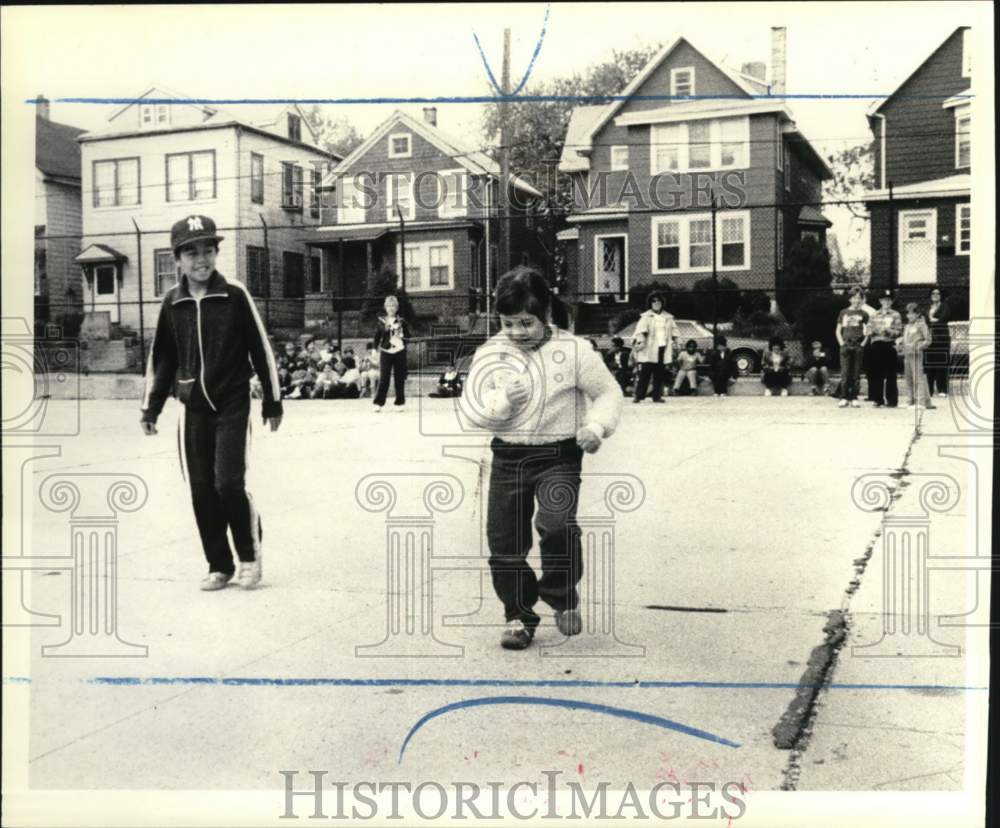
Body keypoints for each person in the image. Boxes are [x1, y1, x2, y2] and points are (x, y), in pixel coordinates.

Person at [461, 267, 623, 650]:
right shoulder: (491, 354)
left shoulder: (575, 350)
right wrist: (503, 403)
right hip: (509, 457)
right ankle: (518, 615)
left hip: (559, 454)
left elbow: (608, 393)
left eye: (526, 323)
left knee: (556, 524)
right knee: (504, 544)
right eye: (508, 323)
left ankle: (562, 596)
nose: (517, 332)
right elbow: (472, 411)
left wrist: (596, 427)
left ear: (546, 312)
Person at [140, 214, 282, 591]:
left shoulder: (233, 294)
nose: (201, 259)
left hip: (232, 400)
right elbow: (163, 359)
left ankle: (249, 556)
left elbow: (260, 347)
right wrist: (150, 407)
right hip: (193, 408)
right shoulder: (173, 303)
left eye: (207, 250)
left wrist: (273, 400)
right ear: (177, 258)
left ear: (216, 253)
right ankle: (219, 564)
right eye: (191, 252)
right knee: (201, 488)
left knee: (228, 483)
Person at [632, 293, 677, 403]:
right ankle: (639, 395)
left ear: (662, 303)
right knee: (645, 373)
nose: (656, 303)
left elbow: (674, 330)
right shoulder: (645, 317)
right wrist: (641, 341)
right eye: (654, 301)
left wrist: (677, 341)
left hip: (662, 347)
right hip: (650, 348)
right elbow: (640, 331)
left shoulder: (668, 317)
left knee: (659, 373)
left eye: (659, 301)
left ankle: (656, 396)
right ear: (650, 303)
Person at [372, 294, 409, 412]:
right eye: (389, 306)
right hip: (386, 351)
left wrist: (403, 335)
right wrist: (374, 349)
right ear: (385, 307)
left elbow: (409, 336)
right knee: (384, 378)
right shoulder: (381, 321)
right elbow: (377, 337)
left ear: (397, 307)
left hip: (399, 351)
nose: (391, 308)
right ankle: (378, 403)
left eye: (393, 306)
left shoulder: (402, 321)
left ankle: (400, 403)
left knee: (399, 378)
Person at [835, 288, 870, 408]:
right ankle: (844, 397)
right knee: (845, 373)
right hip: (846, 344)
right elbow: (838, 330)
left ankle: (854, 397)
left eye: (859, 298)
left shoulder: (864, 314)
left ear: (862, 300)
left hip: (858, 345)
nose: (856, 300)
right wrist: (841, 343)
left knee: (856, 373)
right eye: (854, 298)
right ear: (850, 299)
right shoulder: (843, 312)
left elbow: (868, 330)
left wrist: (863, 343)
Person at [867, 289, 902, 408]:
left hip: (889, 344)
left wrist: (888, 331)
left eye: (889, 300)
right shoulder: (874, 315)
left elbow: (899, 331)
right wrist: (872, 331)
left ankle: (892, 400)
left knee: (891, 373)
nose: (886, 302)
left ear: (891, 302)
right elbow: (868, 330)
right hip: (877, 344)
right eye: (884, 300)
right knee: (877, 373)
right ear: (880, 301)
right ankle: (877, 399)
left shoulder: (895, 314)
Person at [898, 302, 935, 410]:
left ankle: (920, 402)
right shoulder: (907, 326)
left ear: (918, 314)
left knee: (918, 377)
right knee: (908, 377)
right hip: (907, 353)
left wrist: (918, 346)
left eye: (912, 314)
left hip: (916, 354)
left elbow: (928, 340)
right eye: (908, 314)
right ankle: (911, 400)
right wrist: (900, 343)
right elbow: (906, 339)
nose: (909, 316)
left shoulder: (922, 324)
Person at [924, 287, 951, 398]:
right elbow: (924, 321)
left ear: (941, 295)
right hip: (929, 339)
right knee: (929, 364)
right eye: (933, 293)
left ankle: (942, 389)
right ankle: (929, 390)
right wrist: (934, 320)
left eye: (938, 293)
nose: (935, 295)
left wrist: (933, 320)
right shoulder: (927, 308)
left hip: (941, 338)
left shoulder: (945, 306)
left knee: (941, 364)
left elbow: (944, 318)